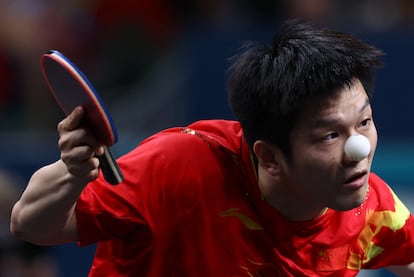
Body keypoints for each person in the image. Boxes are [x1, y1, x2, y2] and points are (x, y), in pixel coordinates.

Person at [10, 19, 414, 276]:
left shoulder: (372, 212)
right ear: (269, 156)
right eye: (329, 135)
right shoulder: (178, 166)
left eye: (363, 122)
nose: (358, 148)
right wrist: (75, 171)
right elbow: (31, 224)